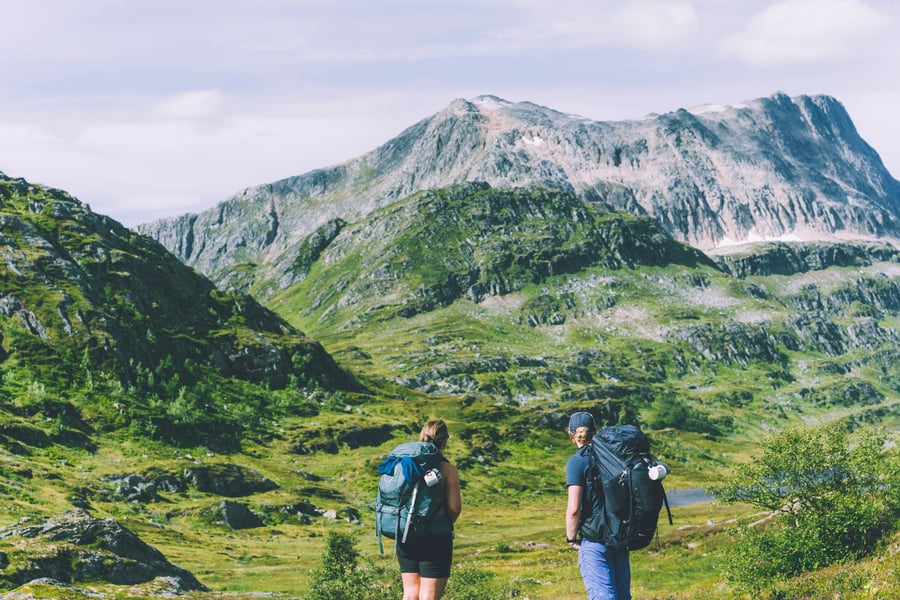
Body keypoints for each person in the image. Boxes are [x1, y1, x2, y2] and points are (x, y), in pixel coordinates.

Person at [565, 412, 631, 600]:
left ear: (571, 434)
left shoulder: (577, 462)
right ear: (595, 432)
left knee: (603, 596)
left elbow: (574, 509)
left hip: (594, 539)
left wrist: (571, 539)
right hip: (619, 535)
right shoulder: (613, 457)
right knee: (622, 595)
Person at [397, 419, 462, 600]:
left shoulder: (406, 462)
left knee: (410, 594)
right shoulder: (447, 469)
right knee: (429, 596)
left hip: (405, 534)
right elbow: (454, 508)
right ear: (445, 440)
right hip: (435, 538)